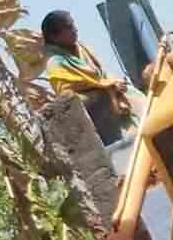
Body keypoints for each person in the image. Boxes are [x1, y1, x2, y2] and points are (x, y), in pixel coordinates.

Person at [40, 11, 140, 148]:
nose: (75, 29)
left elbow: (101, 75)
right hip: (99, 120)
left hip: (117, 102)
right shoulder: (55, 64)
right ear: (54, 37)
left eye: (73, 24)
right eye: (69, 27)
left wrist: (114, 82)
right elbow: (69, 98)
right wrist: (106, 89)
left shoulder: (80, 48)